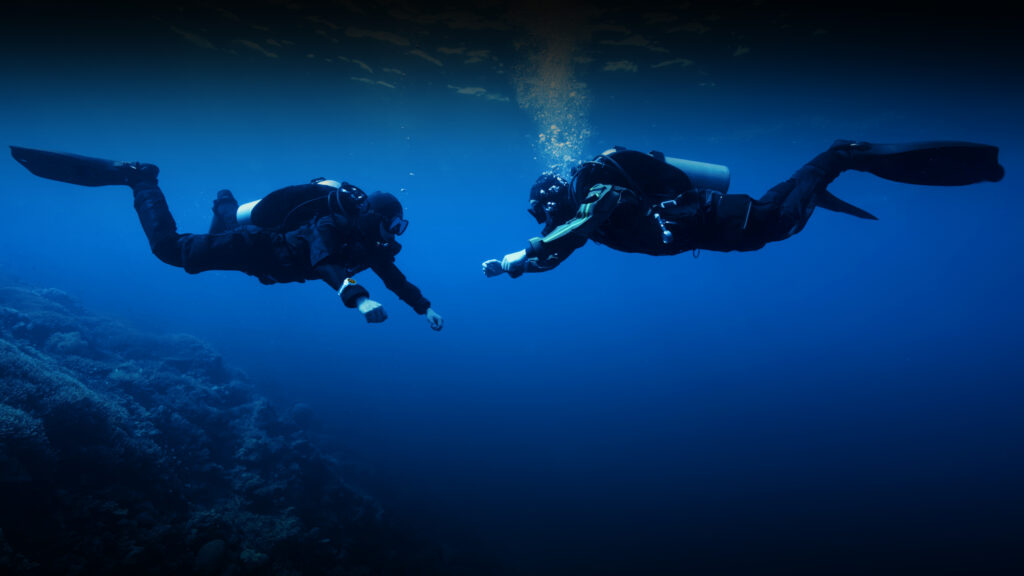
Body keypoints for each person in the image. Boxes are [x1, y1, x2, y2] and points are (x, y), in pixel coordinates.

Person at [10, 146, 444, 330]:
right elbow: (323, 258)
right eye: (394, 225)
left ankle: (224, 202)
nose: (394, 235)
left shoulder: (371, 247)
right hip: (256, 248)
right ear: (375, 217)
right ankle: (141, 179)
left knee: (225, 221)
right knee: (169, 250)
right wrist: (358, 298)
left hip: (261, 263)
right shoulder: (330, 226)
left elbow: (396, 279)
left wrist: (424, 308)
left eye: (399, 229)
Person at [483, 140, 1005, 278]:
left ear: (552, 197)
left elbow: (592, 215)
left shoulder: (593, 192)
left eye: (542, 214)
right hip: (716, 227)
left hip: (721, 221)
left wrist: (530, 248)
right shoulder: (576, 222)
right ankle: (809, 183)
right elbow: (562, 246)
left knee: (780, 223)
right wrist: (521, 264)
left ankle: (840, 156)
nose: (545, 222)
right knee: (776, 210)